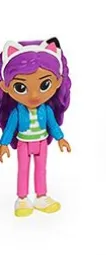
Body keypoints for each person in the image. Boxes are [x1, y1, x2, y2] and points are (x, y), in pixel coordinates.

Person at [0, 38, 72, 217]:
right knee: (23, 170)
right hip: (24, 143)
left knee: (41, 169)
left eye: (44, 85)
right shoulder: (17, 112)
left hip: (41, 142)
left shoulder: (46, 110)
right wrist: (4, 143)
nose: (34, 95)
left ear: (58, 82)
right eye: (21, 87)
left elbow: (53, 125)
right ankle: (22, 198)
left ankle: (41, 196)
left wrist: (60, 138)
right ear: (5, 87)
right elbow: (9, 128)